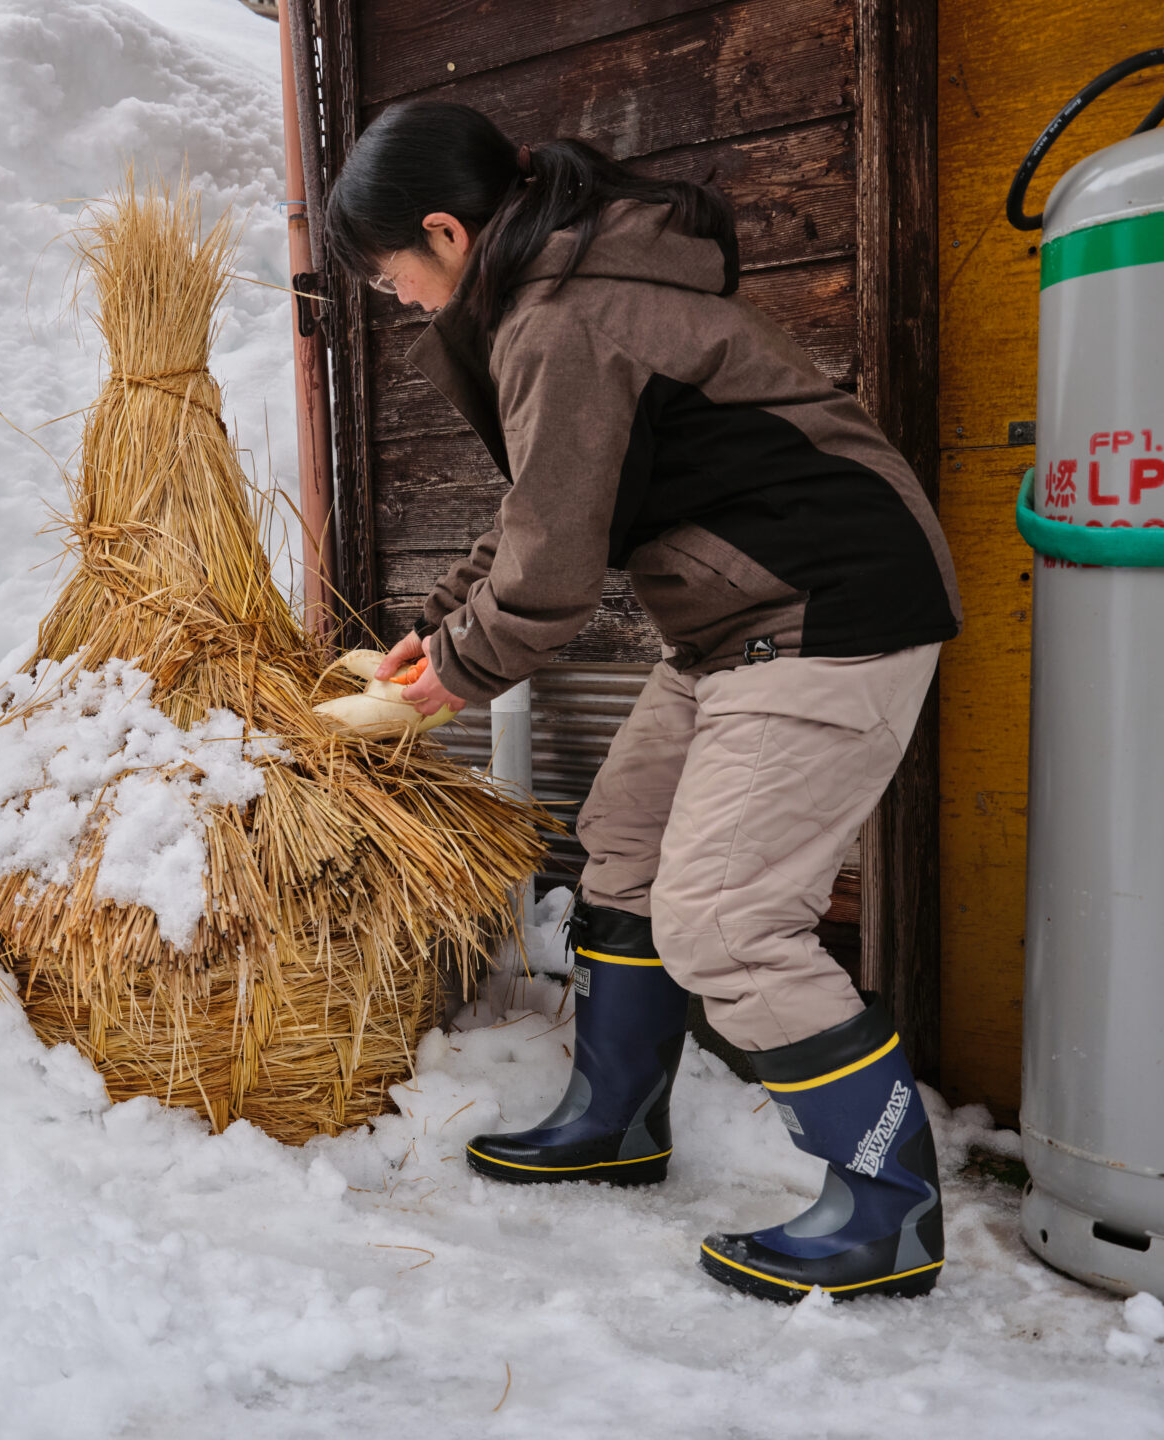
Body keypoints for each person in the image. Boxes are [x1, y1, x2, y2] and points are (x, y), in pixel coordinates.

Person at [322, 102, 962, 1303]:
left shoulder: (562, 315)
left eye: (388, 272)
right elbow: (540, 516)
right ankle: (614, 1122)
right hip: (742, 620)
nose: (394, 298)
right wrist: (430, 639)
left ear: (448, 232)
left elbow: (551, 585)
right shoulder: (552, 292)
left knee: (724, 917)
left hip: (829, 611)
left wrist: (442, 687)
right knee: (623, 845)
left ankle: (889, 1213)